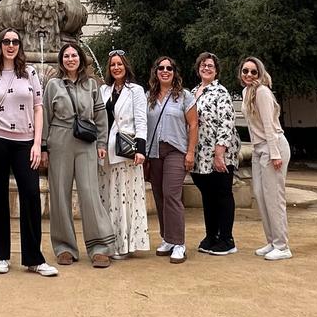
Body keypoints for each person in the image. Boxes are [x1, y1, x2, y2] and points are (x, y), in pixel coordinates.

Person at [0, 28, 57, 278]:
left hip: (24, 143)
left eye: (15, 41)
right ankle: (1, 256)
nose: (10, 45)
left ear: (20, 45)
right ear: (0, 45)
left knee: (31, 195)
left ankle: (34, 258)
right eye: (6, 41)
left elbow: (39, 109)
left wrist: (38, 143)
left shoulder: (30, 73)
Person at [44, 41, 114, 268]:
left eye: (74, 55)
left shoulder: (91, 85)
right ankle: (64, 247)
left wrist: (102, 142)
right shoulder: (52, 85)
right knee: (59, 194)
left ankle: (99, 247)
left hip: (86, 142)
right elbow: (45, 116)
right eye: (66, 56)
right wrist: (44, 147)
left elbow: (101, 116)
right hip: (60, 139)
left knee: (89, 193)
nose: (71, 59)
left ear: (80, 59)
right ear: (61, 61)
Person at [144, 55, 198, 263]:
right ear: (155, 72)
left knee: (172, 194)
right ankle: (167, 237)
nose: (165, 71)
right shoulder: (149, 96)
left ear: (174, 72)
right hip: (154, 151)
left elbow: (193, 125)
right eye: (161, 68)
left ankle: (179, 243)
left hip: (176, 149)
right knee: (159, 195)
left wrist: (190, 152)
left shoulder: (184, 96)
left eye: (169, 68)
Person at [98, 49, 149, 259]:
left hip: (126, 150)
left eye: (119, 64)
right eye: (112, 65)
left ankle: (123, 244)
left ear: (126, 66)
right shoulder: (103, 90)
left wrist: (141, 149)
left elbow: (141, 120)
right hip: (106, 151)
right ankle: (108, 241)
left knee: (124, 197)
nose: (116, 67)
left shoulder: (135, 90)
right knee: (108, 196)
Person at [240, 57, 292, 260]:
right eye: (245, 71)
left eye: (254, 72)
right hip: (258, 149)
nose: (249, 75)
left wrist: (275, 154)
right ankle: (272, 241)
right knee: (260, 195)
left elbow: (269, 125)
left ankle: (282, 245)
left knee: (274, 197)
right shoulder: (246, 93)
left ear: (260, 74)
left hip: (274, 147)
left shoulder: (262, 92)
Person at [190, 52, 240, 256]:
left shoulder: (220, 91)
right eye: (203, 65)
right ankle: (211, 235)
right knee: (208, 195)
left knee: (222, 194)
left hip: (218, 152)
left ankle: (227, 239)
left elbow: (227, 121)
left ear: (216, 70)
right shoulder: (193, 92)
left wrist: (220, 152)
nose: (206, 68)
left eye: (210, 65)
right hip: (200, 153)